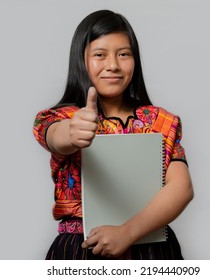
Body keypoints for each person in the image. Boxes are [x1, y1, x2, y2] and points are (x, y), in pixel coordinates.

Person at [33, 9, 194, 260]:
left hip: (152, 250)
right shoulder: (60, 118)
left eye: (124, 54)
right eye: (100, 55)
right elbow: (57, 137)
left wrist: (127, 232)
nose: (113, 65)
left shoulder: (161, 122)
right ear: (81, 60)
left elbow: (182, 188)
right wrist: (74, 132)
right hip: (82, 250)